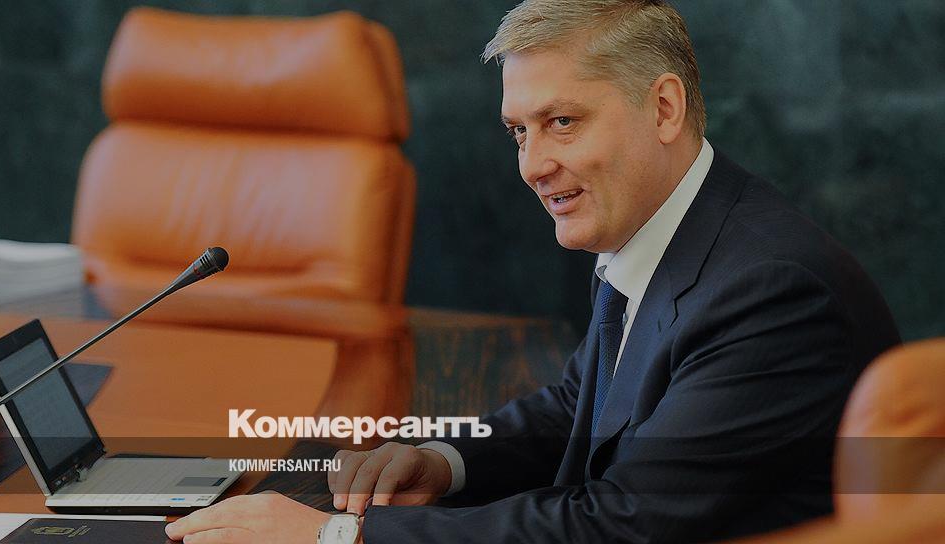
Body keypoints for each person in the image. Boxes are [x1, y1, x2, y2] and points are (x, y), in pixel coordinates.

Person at [165, 1, 901, 542]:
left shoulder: (770, 293)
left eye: (563, 123)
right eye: (519, 131)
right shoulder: (664, 224)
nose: (532, 165)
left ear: (664, 108)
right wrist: (443, 461)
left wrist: (337, 537)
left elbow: (618, 526)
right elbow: (580, 406)